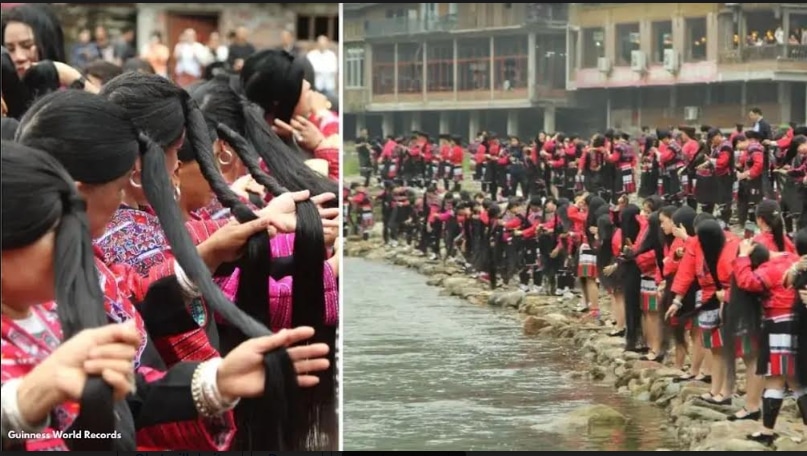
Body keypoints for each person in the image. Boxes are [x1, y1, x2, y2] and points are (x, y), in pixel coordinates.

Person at [306, 35, 338, 100]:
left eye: (323, 44)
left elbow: (333, 69)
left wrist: (319, 69)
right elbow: (310, 69)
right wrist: (323, 69)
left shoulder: (331, 55)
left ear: (327, 44)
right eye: (320, 44)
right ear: (317, 44)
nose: (322, 45)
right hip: (316, 85)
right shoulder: (311, 55)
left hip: (329, 86)